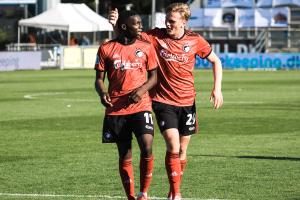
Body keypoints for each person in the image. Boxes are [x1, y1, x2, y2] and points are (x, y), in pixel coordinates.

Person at [109, 3, 223, 200]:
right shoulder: (155, 36)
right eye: (166, 20)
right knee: (173, 144)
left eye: (172, 21)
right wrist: (115, 24)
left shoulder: (195, 40)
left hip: (188, 101)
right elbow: (128, 38)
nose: (168, 24)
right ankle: (176, 195)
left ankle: (173, 188)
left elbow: (216, 61)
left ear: (184, 22)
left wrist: (217, 88)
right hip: (163, 101)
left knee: (182, 151)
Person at [94, 10, 158, 200]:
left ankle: (143, 193)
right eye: (136, 23)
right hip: (116, 109)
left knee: (147, 146)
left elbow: (154, 77)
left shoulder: (146, 47)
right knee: (125, 153)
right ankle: (130, 196)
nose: (140, 26)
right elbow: (98, 79)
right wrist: (102, 92)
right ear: (124, 26)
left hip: (141, 105)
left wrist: (141, 90)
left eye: (140, 22)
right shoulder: (106, 48)